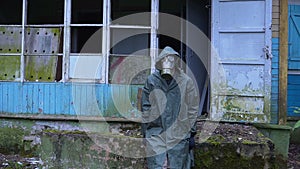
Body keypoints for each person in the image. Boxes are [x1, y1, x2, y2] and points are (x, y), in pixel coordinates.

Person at [141, 46, 199, 169]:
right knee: (157, 165)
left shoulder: (186, 81)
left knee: (177, 164)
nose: (168, 63)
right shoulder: (152, 81)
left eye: (171, 59)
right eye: (164, 60)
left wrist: (191, 132)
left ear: (176, 61)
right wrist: (145, 132)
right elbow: (145, 107)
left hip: (179, 133)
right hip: (156, 132)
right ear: (160, 62)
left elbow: (193, 108)